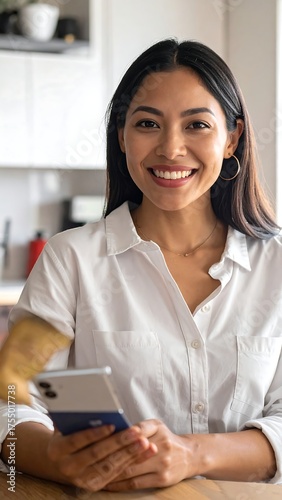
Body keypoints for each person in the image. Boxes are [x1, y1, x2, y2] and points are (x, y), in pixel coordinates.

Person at [0, 38, 282, 492]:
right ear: (122, 136)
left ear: (232, 138)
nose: (171, 149)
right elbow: (12, 400)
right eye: (148, 123)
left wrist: (192, 454)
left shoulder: (276, 268)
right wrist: (53, 456)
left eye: (197, 125)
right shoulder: (70, 259)